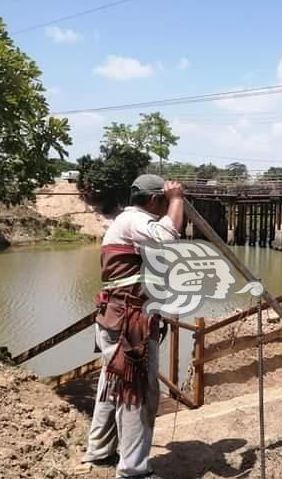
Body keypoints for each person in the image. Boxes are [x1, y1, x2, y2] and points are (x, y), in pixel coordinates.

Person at [82, 174, 184, 479]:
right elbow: (168, 238)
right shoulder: (135, 221)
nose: (165, 207)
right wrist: (177, 200)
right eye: (163, 202)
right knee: (135, 393)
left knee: (113, 385)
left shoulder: (128, 223)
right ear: (154, 200)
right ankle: (133, 471)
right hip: (128, 322)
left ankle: (99, 451)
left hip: (119, 317)